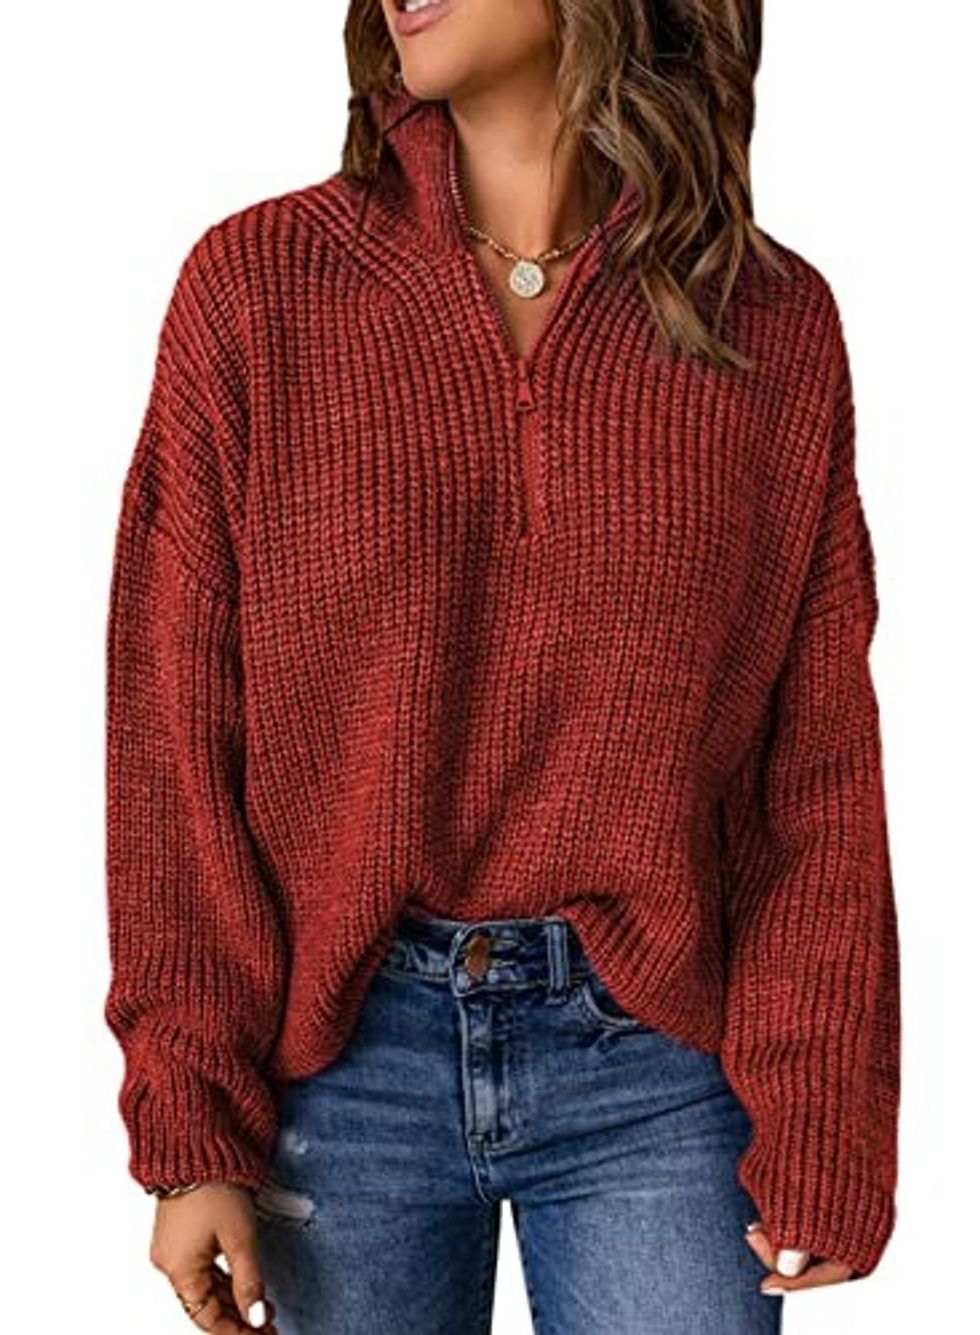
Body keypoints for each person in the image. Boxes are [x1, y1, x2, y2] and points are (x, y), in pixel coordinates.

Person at [103, 1, 901, 1331]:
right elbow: (173, 727)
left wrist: (824, 1109)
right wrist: (189, 1126)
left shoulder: (770, 320)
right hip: (341, 1058)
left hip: (659, 1065)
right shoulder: (259, 287)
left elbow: (811, 758)